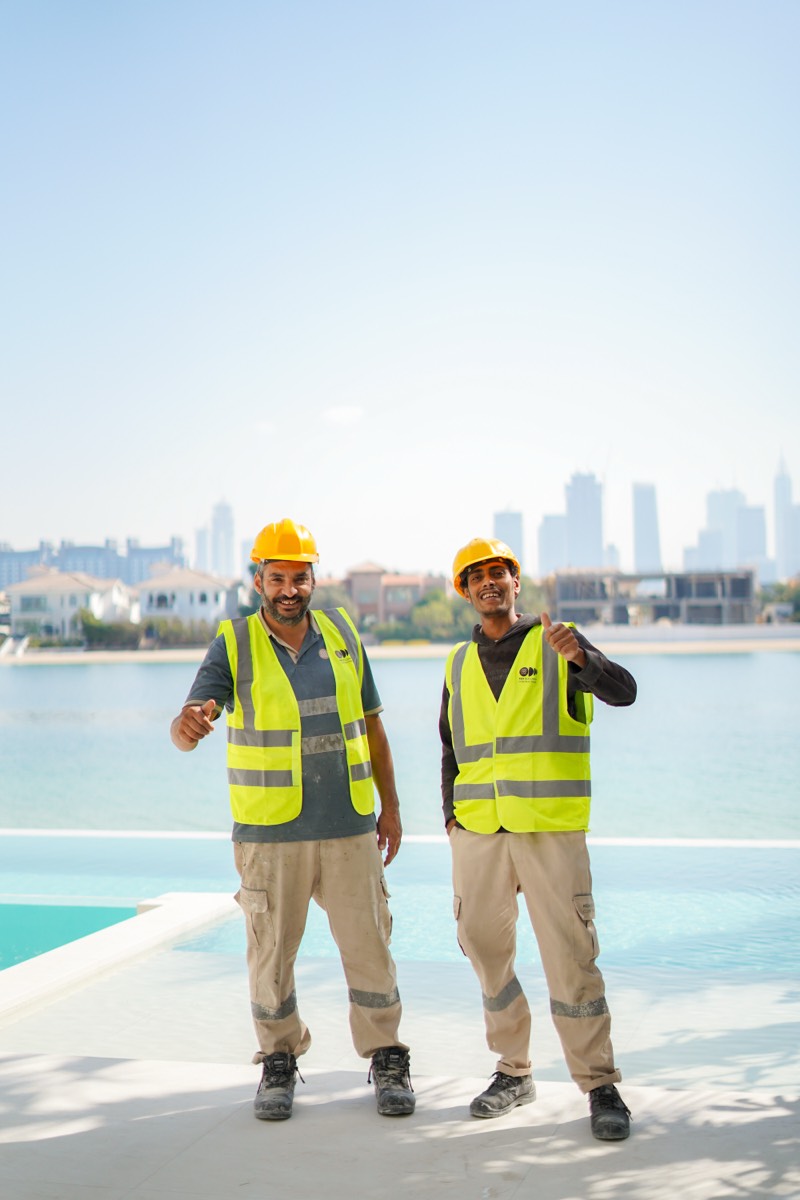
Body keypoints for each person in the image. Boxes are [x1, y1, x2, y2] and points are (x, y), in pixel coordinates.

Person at [170, 518, 414, 1121]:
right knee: (270, 955)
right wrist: (189, 726)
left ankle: (386, 1058)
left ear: (313, 579)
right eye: (277, 577)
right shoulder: (233, 643)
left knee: (370, 950)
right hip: (270, 835)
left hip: (351, 825)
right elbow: (187, 725)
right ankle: (278, 1060)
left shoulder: (342, 632)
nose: (289, 589)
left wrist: (393, 808)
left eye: (298, 577)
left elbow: (374, 725)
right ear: (258, 581)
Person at [440, 537, 637, 1141]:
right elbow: (451, 747)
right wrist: (451, 818)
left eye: (498, 572)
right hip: (478, 834)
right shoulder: (456, 663)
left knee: (570, 957)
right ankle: (514, 1070)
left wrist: (585, 660)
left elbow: (624, 691)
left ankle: (600, 1086)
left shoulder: (559, 641)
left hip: (550, 832)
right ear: (466, 593)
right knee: (481, 946)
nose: (488, 583)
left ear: (514, 582)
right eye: (476, 578)